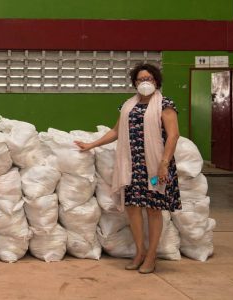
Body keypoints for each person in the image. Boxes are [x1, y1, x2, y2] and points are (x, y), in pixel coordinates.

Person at [75, 63, 181, 274]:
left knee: (153, 208)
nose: (145, 83)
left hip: (155, 169)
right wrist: (92, 144)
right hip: (132, 167)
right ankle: (139, 252)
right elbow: (116, 131)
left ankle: (151, 256)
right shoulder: (128, 106)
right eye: (140, 79)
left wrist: (164, 164)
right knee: (133, 208)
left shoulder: (165, 105)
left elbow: (173, 135)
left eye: (149, 79)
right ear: (134, 83)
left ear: (156, 81)